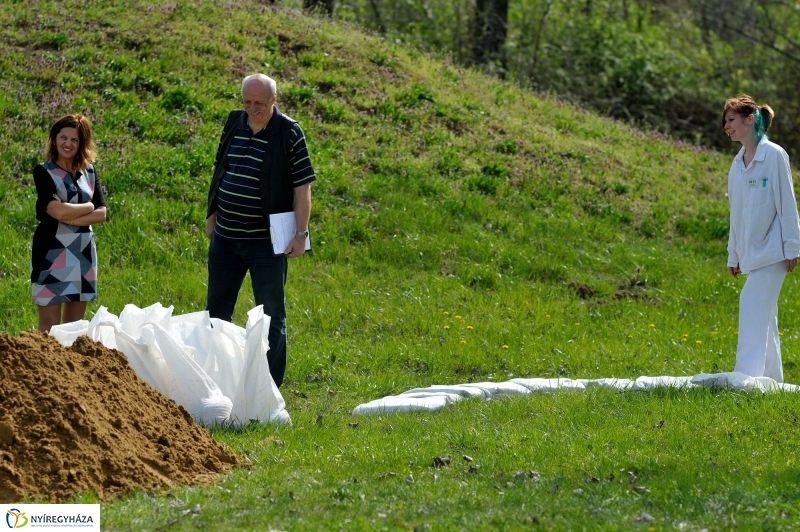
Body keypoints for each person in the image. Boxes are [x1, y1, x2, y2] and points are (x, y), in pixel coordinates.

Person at [205, 74, 315, 388]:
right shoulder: (234, 122)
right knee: (216, 313)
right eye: (247, 103)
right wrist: (212, 214)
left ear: (274, 102)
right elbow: (221, 167)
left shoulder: (289, 132)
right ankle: (217, 379)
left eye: (260, 104)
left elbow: (302, 186)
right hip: (225, 239)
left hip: (267, 244)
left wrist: (301, 233)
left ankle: (268, 388)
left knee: (271, 318)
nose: (252, 110)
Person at [723, 94, 800, 383]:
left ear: (749, 119)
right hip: (751, 253)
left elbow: (787, 204)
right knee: (766, 315)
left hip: (775, 250)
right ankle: (771, 379)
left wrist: (793, 247)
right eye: (725, 122)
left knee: (752, 302)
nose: (726, 127)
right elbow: (737, 215)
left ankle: (745, 377)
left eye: (730, 120)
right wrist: (735, 255)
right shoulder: (737, 164)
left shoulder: (775, 155)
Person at [32, 114, 107, 332]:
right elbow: (56, 211)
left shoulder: (89, 171)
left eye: (74, 139)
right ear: (54, 139)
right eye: (63, 137)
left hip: (82, 254)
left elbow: (102, 213)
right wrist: (88, 207)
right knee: (49, 327)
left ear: (82, 143)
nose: (68, 143)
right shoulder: (43, 171)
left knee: (74, 328)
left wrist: (70, 216)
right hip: (51, 253)